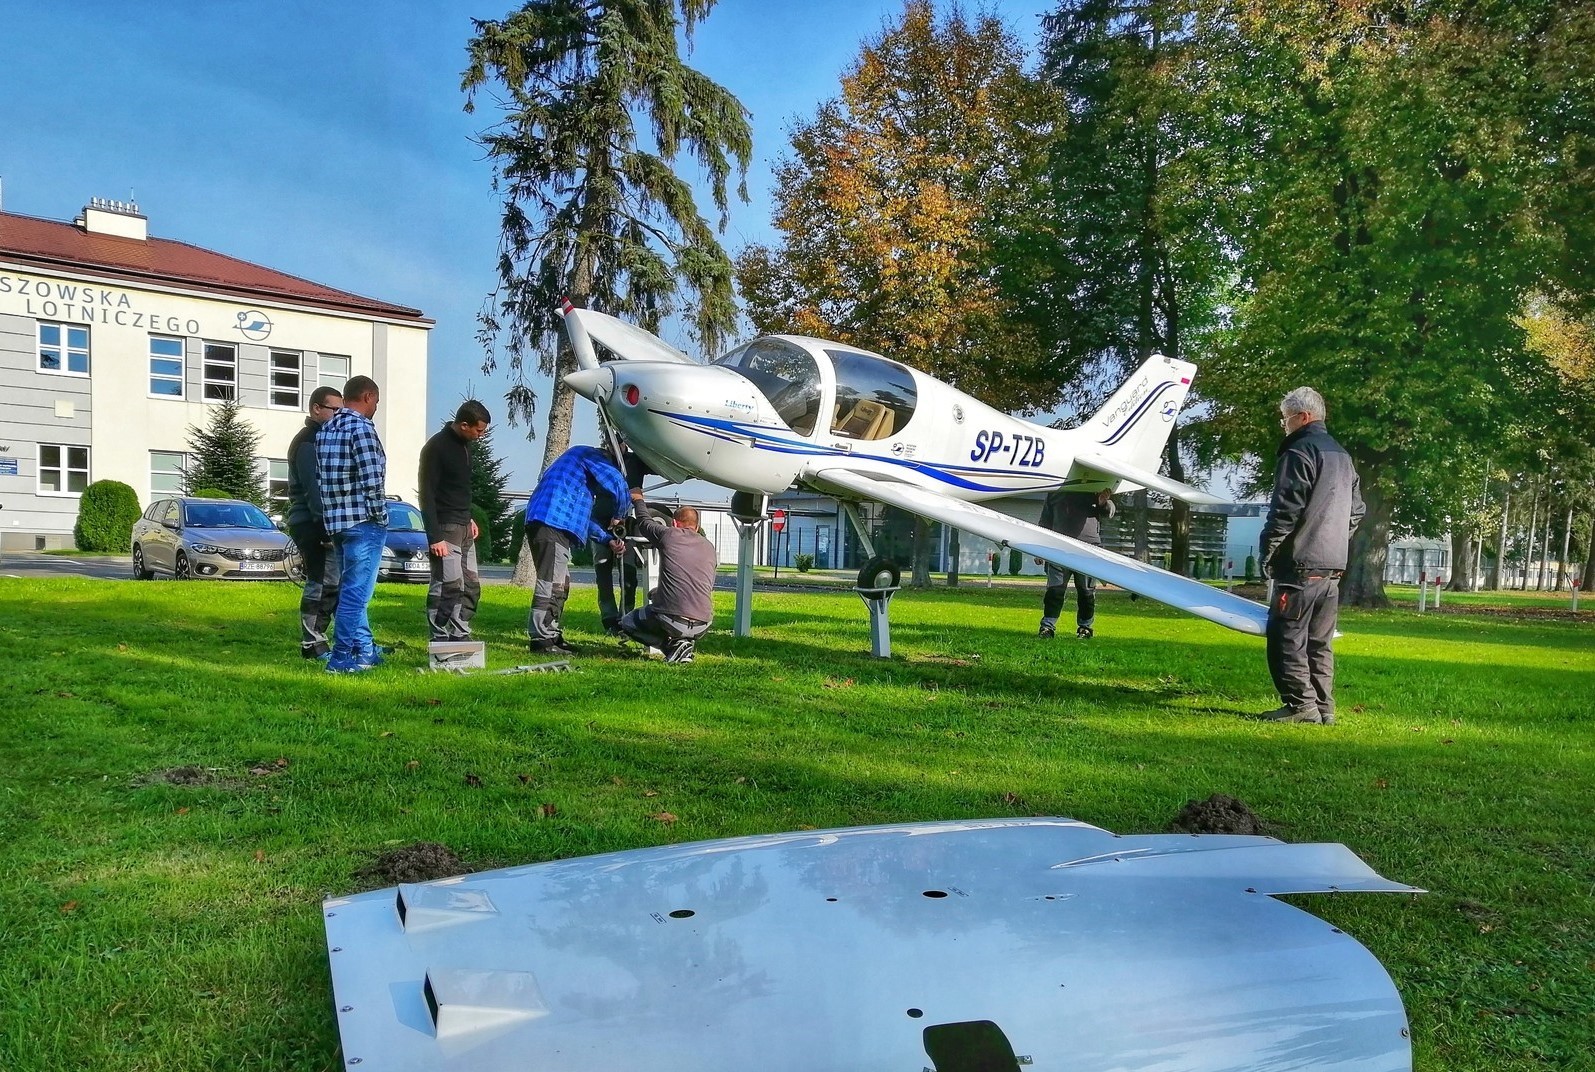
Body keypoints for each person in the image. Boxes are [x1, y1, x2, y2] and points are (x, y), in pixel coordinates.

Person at [1255, 386, 1364, 724]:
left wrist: (1269, 550)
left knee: (1286, 636)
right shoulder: (1342, 456)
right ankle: (1324, 707)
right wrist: (1336, 541)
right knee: (1319, 641)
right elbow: (1357, 511)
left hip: (1300, 565)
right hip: (1332, 567)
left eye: (1285, 419)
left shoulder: (1299, 451)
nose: (1283, 426)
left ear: (1303, 417)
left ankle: (1300, 706)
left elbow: (1285, 509)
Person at [523, 445, 630, 655]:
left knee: (561, 584)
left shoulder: (573, 483)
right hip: (551, 525)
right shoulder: (590, 455)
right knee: (552, 584)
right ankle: (541, 641)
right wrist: (620, 515)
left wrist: (608, 540)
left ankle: (551, 634)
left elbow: (585, 521)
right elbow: (617, 482)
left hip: (547, 522)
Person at [316, 375, 388, 673]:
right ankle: (341, 658)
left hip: (337, 522)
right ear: (368, 396)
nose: (376, 408)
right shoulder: (362, 429)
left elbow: (321, 479)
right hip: (363, 522)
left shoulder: (326, 429)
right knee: (356, 595)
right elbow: (372, 482)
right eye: (376, 402)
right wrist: (380, 517)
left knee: (351, 590)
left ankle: (366, 650)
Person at [617, 488, 716, 664]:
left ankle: (671, 647)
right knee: (664, 608)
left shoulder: (669, 535)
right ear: (697, 527)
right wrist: (660, 593)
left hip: (673, 619)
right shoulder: (709, 547)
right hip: (703, 623)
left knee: (628, 622)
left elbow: (645, 522)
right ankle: (683, 647)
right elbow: (699, 585)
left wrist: (638, 499)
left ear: (674, 523)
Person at [419, 400, 490, 643]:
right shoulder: (436, 447)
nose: (481, 436)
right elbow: (427, 493)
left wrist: (469, 518)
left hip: (464, 526)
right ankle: (439, 639)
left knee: (469, 585)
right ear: (464, 425)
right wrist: (434, 537)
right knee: (447, 586)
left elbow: (459, 488)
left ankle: (460, 634)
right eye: (479, 430)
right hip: (445, 529)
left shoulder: (466, 446)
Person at [285, 386, 342, 659]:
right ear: (316, 408)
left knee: (333, 583)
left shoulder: (322, 438)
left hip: (319, 521)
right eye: (334, 409)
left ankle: (342, 641)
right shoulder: (309, 441)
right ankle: (313, 644)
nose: (338, 415)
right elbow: (313, 490)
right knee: (321, 583)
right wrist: (324, 529)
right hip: (311, 522)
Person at [1036, 488, 1116, 639]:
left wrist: (1103, 503)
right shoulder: (1055, 491)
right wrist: (1039, 549)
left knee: (1086, 592)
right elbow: (1045, 521)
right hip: (1058, 549)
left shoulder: (1095, 489)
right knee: (1054, 591)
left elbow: (1110, 511)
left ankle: (1085, 628)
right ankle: (1047, 627)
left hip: (1088, 550)